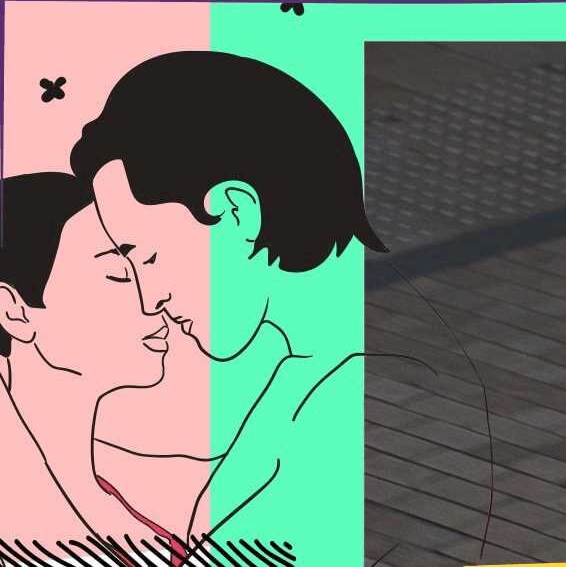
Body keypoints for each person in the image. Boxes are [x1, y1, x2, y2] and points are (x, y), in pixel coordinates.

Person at [69, 51, 388, 557]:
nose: (151, 302)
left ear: (236, 211)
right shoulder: (298, 387)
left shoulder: (327, 410)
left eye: (147, 257)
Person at [0, 172, 199, 565]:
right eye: (119, 274)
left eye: (148, 265)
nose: (155, 298)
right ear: (15, 312)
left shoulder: (124, 493)